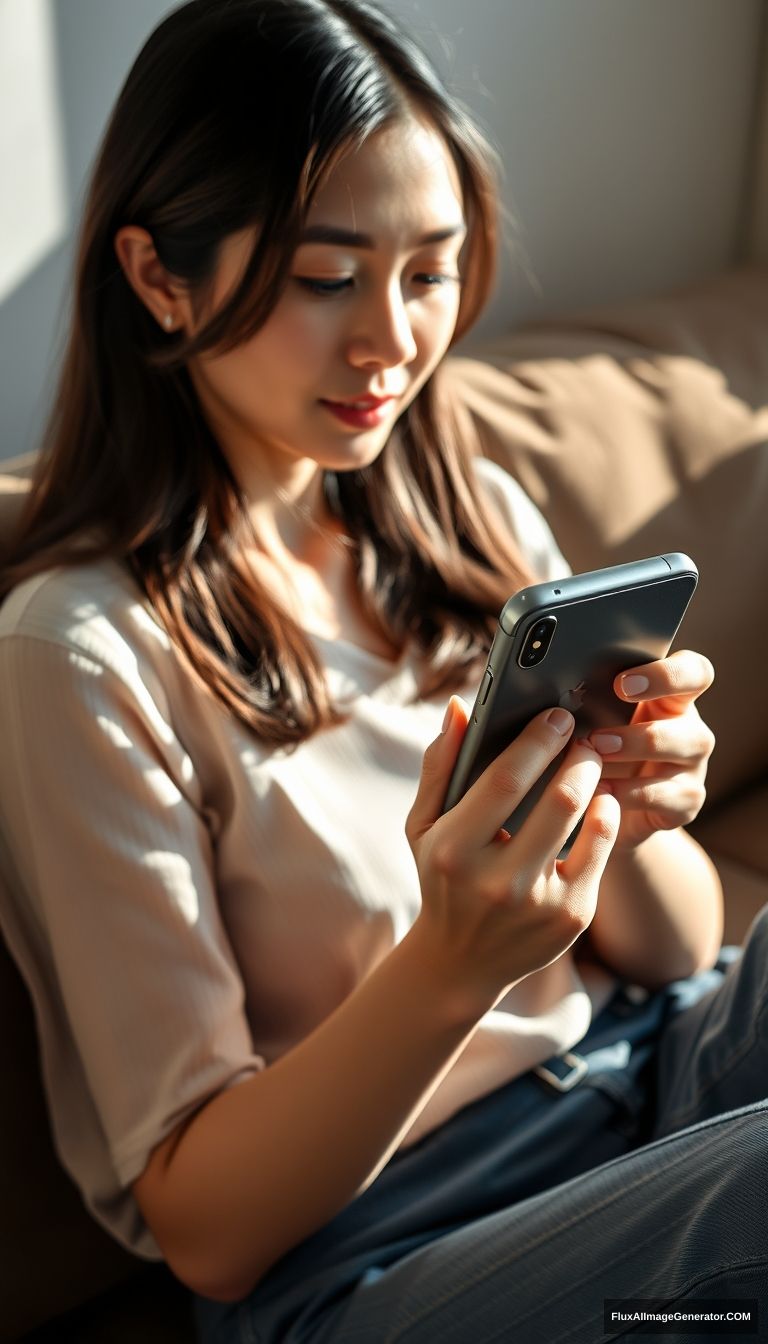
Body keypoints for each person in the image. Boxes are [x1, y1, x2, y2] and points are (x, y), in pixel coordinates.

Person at [0, 1, 766, 1340]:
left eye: (428, 273)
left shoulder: (468, 525)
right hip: (394, 1252)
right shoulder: (83, 655)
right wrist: (453, 961)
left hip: (652, 1077)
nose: (393, 343)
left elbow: (680, 946)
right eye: (325, 275)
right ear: (158, 273)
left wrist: (634, 809)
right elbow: (210, 1234)